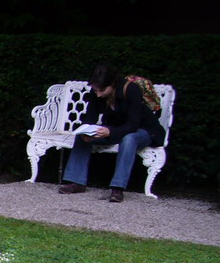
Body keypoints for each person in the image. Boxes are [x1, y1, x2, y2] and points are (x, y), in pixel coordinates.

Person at [58, 63, 166, 203]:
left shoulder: (131, 89)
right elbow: (91, 117)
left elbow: (133, 124)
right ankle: (76, 182)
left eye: (102, 90)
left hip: (143, 130)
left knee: (129, 139)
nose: (98, 94)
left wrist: (109, 132)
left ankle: (118, 188)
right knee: (83, 137)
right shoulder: (96, 91)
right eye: (95, 90)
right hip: (115, 128)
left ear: (113, 84)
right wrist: (85, 131)